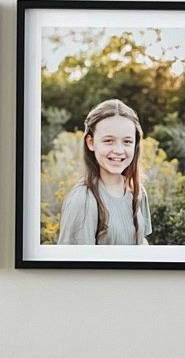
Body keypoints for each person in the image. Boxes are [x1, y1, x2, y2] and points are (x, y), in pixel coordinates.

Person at [56, 97, 152, 246]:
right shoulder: (82, 200)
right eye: (108, 141)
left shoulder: (137, 191)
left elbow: (142, 243)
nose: (119, 150)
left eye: (127, 141)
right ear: (91, 142)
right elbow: (74, 265)